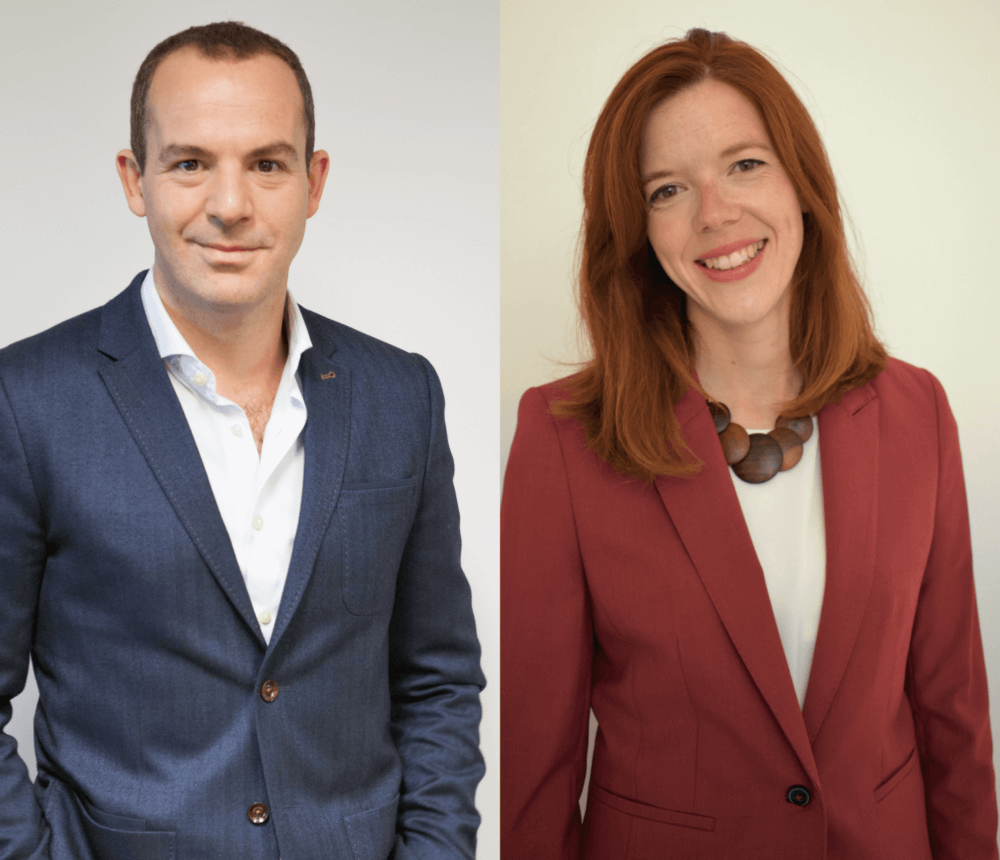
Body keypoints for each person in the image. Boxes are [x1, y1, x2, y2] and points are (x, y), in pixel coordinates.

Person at [501, 28, 996, 859]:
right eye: (667, 189)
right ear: (640, 231)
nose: (715, 214)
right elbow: (535, 770)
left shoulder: (919, 413)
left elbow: (953, 718)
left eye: (745, 164)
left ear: (802, 183)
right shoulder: (562, 440)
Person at [0, 21, 484, 860]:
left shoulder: (401, 394)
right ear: (134, 179)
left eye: (267, 163)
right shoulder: (26, 400)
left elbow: (437, 680)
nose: (230, 205)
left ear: (313, 180)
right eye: (190, 163)